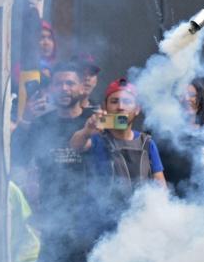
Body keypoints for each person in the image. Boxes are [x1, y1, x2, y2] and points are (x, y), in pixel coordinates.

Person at [11, 61, 98, 262]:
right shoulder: (41, 124)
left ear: (82, 88)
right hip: (52, 221)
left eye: (70, 83)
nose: (65, 88)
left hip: (88, 222)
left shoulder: (94, 122)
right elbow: (17, 155)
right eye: (59, 83)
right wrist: (27, 117)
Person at [69, 77, 166, 223]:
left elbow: (160, 187)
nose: (120, 107)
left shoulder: (147, 143)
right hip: (100, 227)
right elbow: (75, 145)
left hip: (139, 225)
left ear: (137, 108)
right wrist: (87, 130)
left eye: (127, 101)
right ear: (105, 107)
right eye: (114, 101)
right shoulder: (95, 139)